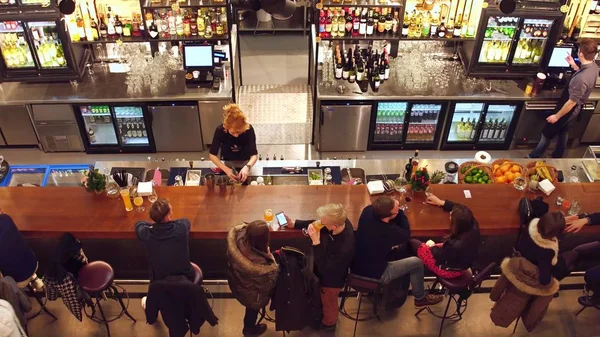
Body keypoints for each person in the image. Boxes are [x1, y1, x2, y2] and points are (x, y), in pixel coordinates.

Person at [351, 197, 443, 308]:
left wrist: (393, 209)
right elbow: (406, 234)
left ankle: (367, 291)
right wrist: (400, 212)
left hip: (355, 266)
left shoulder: (367, 211)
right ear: (387, 217)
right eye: (396, 210)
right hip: (376, 274)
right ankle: (420, 298)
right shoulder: (389, 232)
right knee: (417, 263)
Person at [284, 204, 355, 331]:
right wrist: (295, 224)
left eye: (324, 221)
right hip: (326, 269)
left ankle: (329, 325)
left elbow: (325, 268)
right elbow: (317, 223)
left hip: (332, 280)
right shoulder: (340, 220)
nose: (320, 222)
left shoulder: (345, 247)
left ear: (333, 226)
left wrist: (316, 242)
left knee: (329, 302)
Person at [529, 38, 599, 158]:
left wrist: (556, 116)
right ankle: (558, 154)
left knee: (547, 133)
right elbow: (582, 73)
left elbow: (571, 102)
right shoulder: (594, 67)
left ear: (581, 53)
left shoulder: (581, 79)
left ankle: (534, 155)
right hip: (574, 109)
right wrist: (573, 65)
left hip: (568, 109)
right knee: (564, 130)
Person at [227, 220, 278, 337]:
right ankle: (248, 331)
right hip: (252, 293)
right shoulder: (260, 264)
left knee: (249, 309)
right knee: (252, 310)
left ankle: (248, 328)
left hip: (238, 282)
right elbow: (268, 284)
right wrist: (271, 259)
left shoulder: (238, 239)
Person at [412, 195, 481, 279]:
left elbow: (439, 257)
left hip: (449, 270)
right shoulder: (473, 225)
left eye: (452, 216)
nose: (450, 214)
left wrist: (431, 247)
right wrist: (441, 202)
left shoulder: (454, 245)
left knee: (413, 243)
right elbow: (462, 208)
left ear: (456, 224)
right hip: (462, 264)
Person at [136, 198, 194, 282]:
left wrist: (155, 225)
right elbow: (185, 221)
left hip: (159, 279)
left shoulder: (146, 233)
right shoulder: (181, 228)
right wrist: (168, 222)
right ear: (167, 216)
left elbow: (139, 224)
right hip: (185, 277)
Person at [516, 211, 578, 285]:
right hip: (535, 264)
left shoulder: (531, 224)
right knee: (574, 255)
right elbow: (544, 280)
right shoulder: (547, 251)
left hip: (525, 253)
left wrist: (559, 222)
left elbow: (547, 223)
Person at [209, 104, 258, 183]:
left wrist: (247, 167)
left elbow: (254, 156)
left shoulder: (249, 129)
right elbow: (212, 155)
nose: (236, 135)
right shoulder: (220, 130)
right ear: (227, 127)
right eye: (233, 132)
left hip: (245, 161)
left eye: (239, 132)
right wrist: (226, 170)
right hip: (228, 162)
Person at [0, 211, 43, 291]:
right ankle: (33, 278)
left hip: (19, 281)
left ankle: (21, 292)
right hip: (33, 262)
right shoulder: (6, 218)